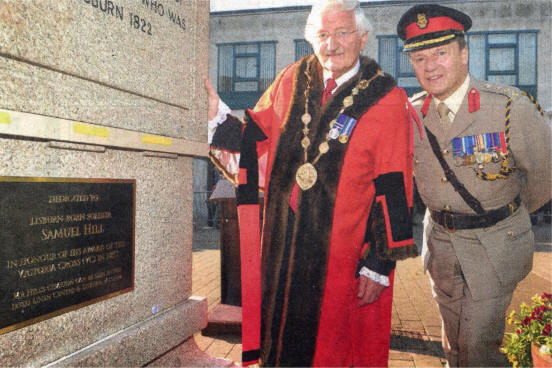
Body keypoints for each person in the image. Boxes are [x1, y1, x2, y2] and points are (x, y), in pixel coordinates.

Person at [206, 0, 418, 366]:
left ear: (363, 38)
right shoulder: (291, 78)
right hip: (283, 250)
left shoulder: (386, 97)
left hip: (342, 256)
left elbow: (395, 185)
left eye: (342, 33)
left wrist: (380, 263)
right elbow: (256, 142)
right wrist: (217, 117)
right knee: (281, 343)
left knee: (333, 350)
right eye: (322, 35)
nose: (331, 45)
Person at [397, 4, 552, 366]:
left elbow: (544, 177)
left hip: (494, 245)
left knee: (478, 347)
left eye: (440, 53)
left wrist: (506, 215)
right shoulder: (411, 114)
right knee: (452, 344)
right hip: (440, 245)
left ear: (464, 53)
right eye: (419, 58)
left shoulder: (509, 107)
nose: (430, 66)